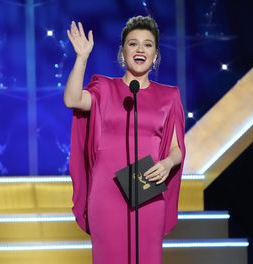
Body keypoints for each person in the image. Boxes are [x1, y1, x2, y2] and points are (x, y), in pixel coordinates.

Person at [64, 15, 186, 264]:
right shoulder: (104, 89)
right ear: (123, 52)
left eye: (148, 44)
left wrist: (167, 163)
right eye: (133, 43)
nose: (140, 49)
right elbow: (72, 100)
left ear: (156, 54)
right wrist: (82, 58)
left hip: (147, 190)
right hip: (107, 192)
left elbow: (177, 148)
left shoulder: (169, 96)